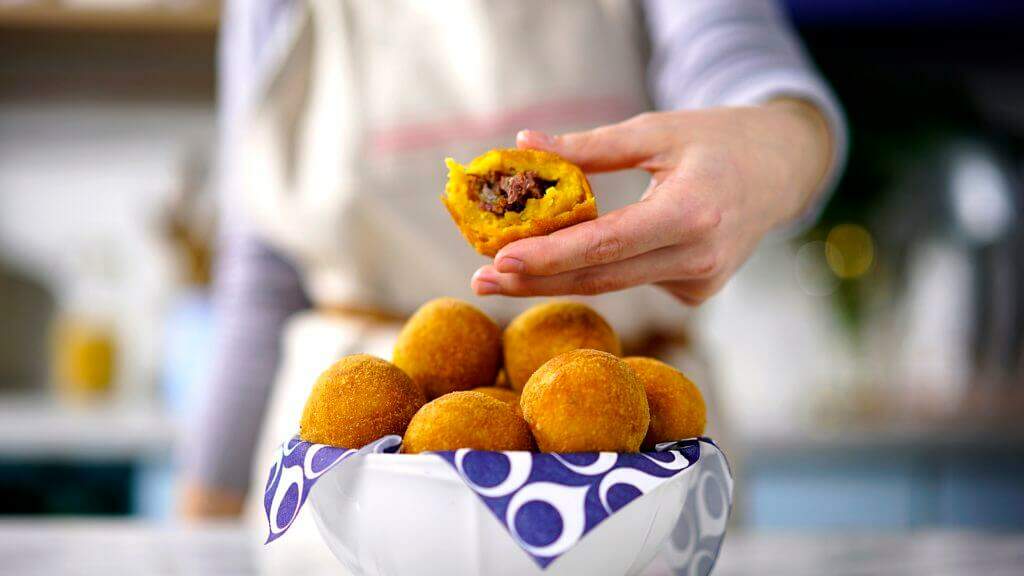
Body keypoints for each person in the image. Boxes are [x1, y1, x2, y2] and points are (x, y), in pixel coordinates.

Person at [182, 0, 845, 569]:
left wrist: (772, 149)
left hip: (636, 455)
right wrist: (201, 517)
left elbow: (744, 66)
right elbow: (261, 278)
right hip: (353, 476)